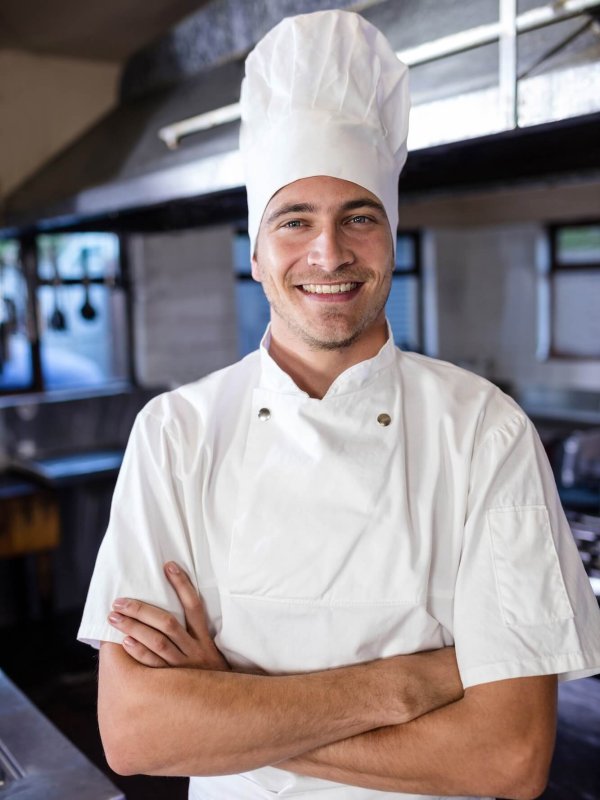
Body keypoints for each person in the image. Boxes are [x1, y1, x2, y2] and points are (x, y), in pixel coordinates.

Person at [78, 10, 600, 800]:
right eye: (295, 221)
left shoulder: (483, 432)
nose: (329, 253)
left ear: (390, 237)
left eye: (360, 217)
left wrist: (229, 707)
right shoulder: (177, 435)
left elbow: (509, 757)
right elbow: (137, 731)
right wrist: (403, 687)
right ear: (256, 254)